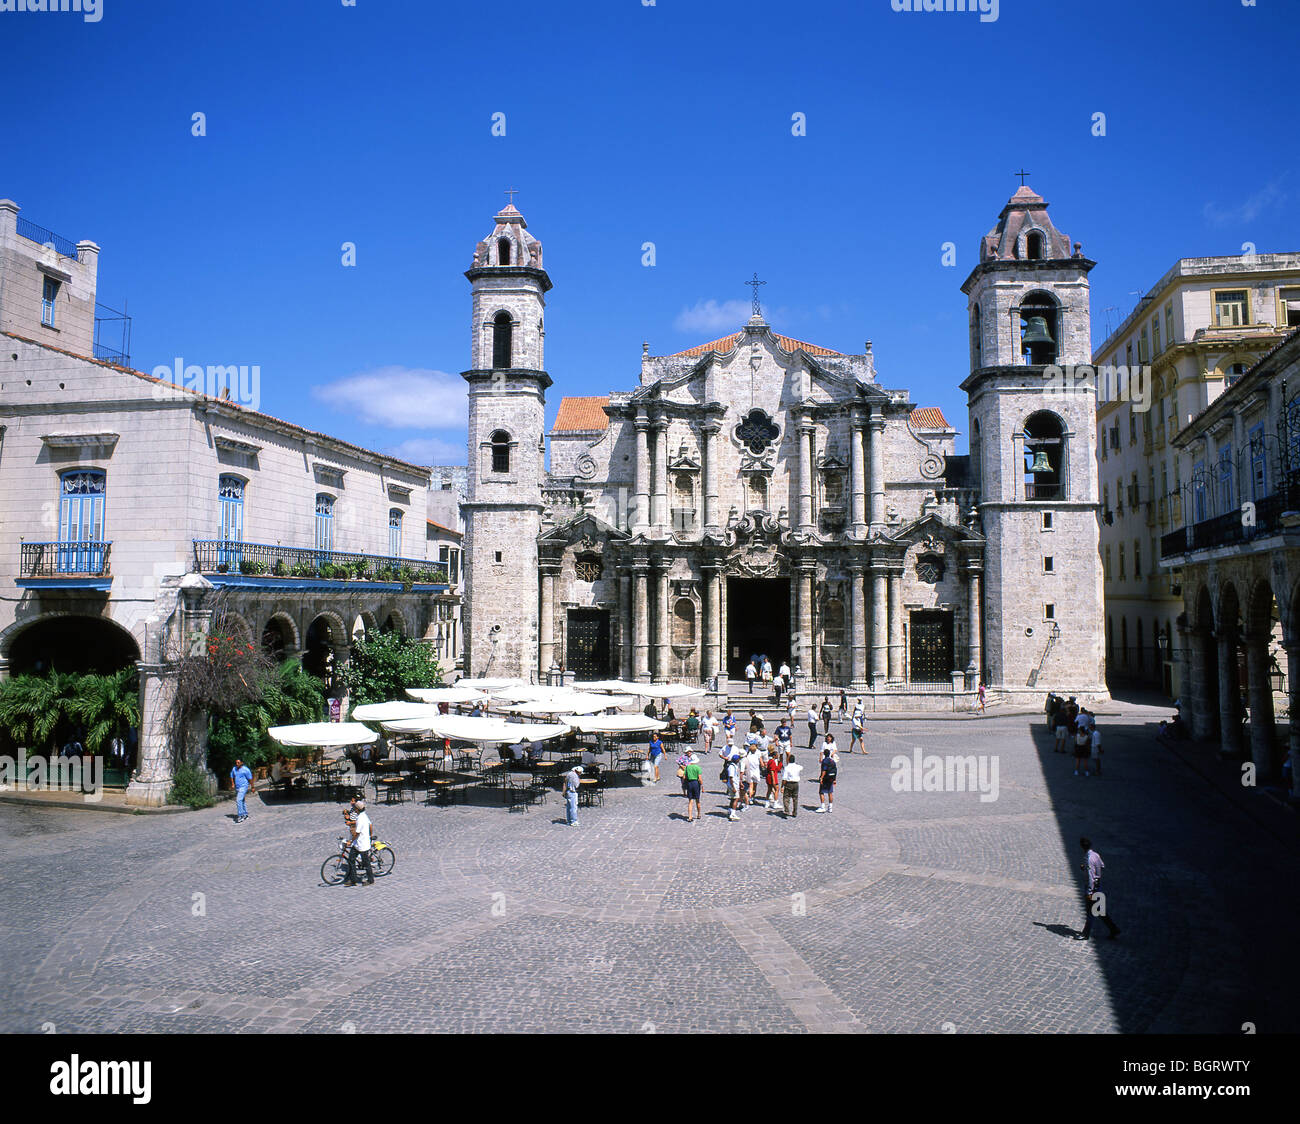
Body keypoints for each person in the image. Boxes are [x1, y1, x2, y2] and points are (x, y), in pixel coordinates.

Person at [1075, 837, 1120, 940]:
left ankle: (1085, 934)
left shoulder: (1088, 858)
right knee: (1100, 910)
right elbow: (1102, 865)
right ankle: (1113, 929)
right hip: (1098, 885)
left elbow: (1090, 877)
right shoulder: (1096, 855)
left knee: (1090, 911)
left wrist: (1089, 892)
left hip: (1092, 888)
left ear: (1082, 847)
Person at [344, 798, 375, 886]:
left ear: (357, 809)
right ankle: (353, 879)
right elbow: (370, 825)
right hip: (358, 844)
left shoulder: (360, 819)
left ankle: (370, 880)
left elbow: (357, 833)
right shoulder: (364, 815)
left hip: (362, 845)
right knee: (351, 860)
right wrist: (370, 835)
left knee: (366, 863)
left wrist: (350, 841)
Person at [231, 758, 254, 824]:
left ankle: (240, 815)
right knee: (242, 800)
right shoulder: (234, 769)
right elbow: (231, 776)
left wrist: (252, 787)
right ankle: (245, 814)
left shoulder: (246, 770)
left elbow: (250, 779)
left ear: (242, 763)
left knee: (238, 800)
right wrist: (232, 783)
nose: (237, 764)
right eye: (236, 762)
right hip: (237, 787)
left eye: (238, 762)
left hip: (244, 787)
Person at [816, 746, 838, 813]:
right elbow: (835, 770)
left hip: (826, 778)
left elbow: (824, 770)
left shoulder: (824, 761)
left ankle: (823, 807)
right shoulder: (832, 761)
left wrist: (821, 778)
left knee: (821, 792)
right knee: (830, 793)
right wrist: (834, 779)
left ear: (824, 754)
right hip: (831, 778)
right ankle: (830, 807)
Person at [780, 752, 803, 818]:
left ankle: (787, 810)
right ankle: (795, 812)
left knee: (786, 797)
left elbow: (784, 778)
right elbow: (801, 767)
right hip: (796, 784)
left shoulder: (787, 768)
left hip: (789, 784)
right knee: (795, 798)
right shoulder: (797, 767)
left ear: (788, 760)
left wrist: (782, 786)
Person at [682, 754, 703, 822]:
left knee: (690, 801)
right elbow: (700, 778)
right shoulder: (698, 768)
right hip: (696, 784)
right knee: (697, 800)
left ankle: (690, 816)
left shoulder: (687, 767)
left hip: (689, 783)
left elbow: (684, 777)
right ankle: (699, 814)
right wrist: (702, 785)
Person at [725, 752, 743, 822]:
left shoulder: (733, 766)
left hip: (734, 784)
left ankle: (730, 810)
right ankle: (733, 813)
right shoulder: (731, 767)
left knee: (733, 798)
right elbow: (731, 778)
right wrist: (734, 788)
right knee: (736, 799)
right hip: (733, 785)